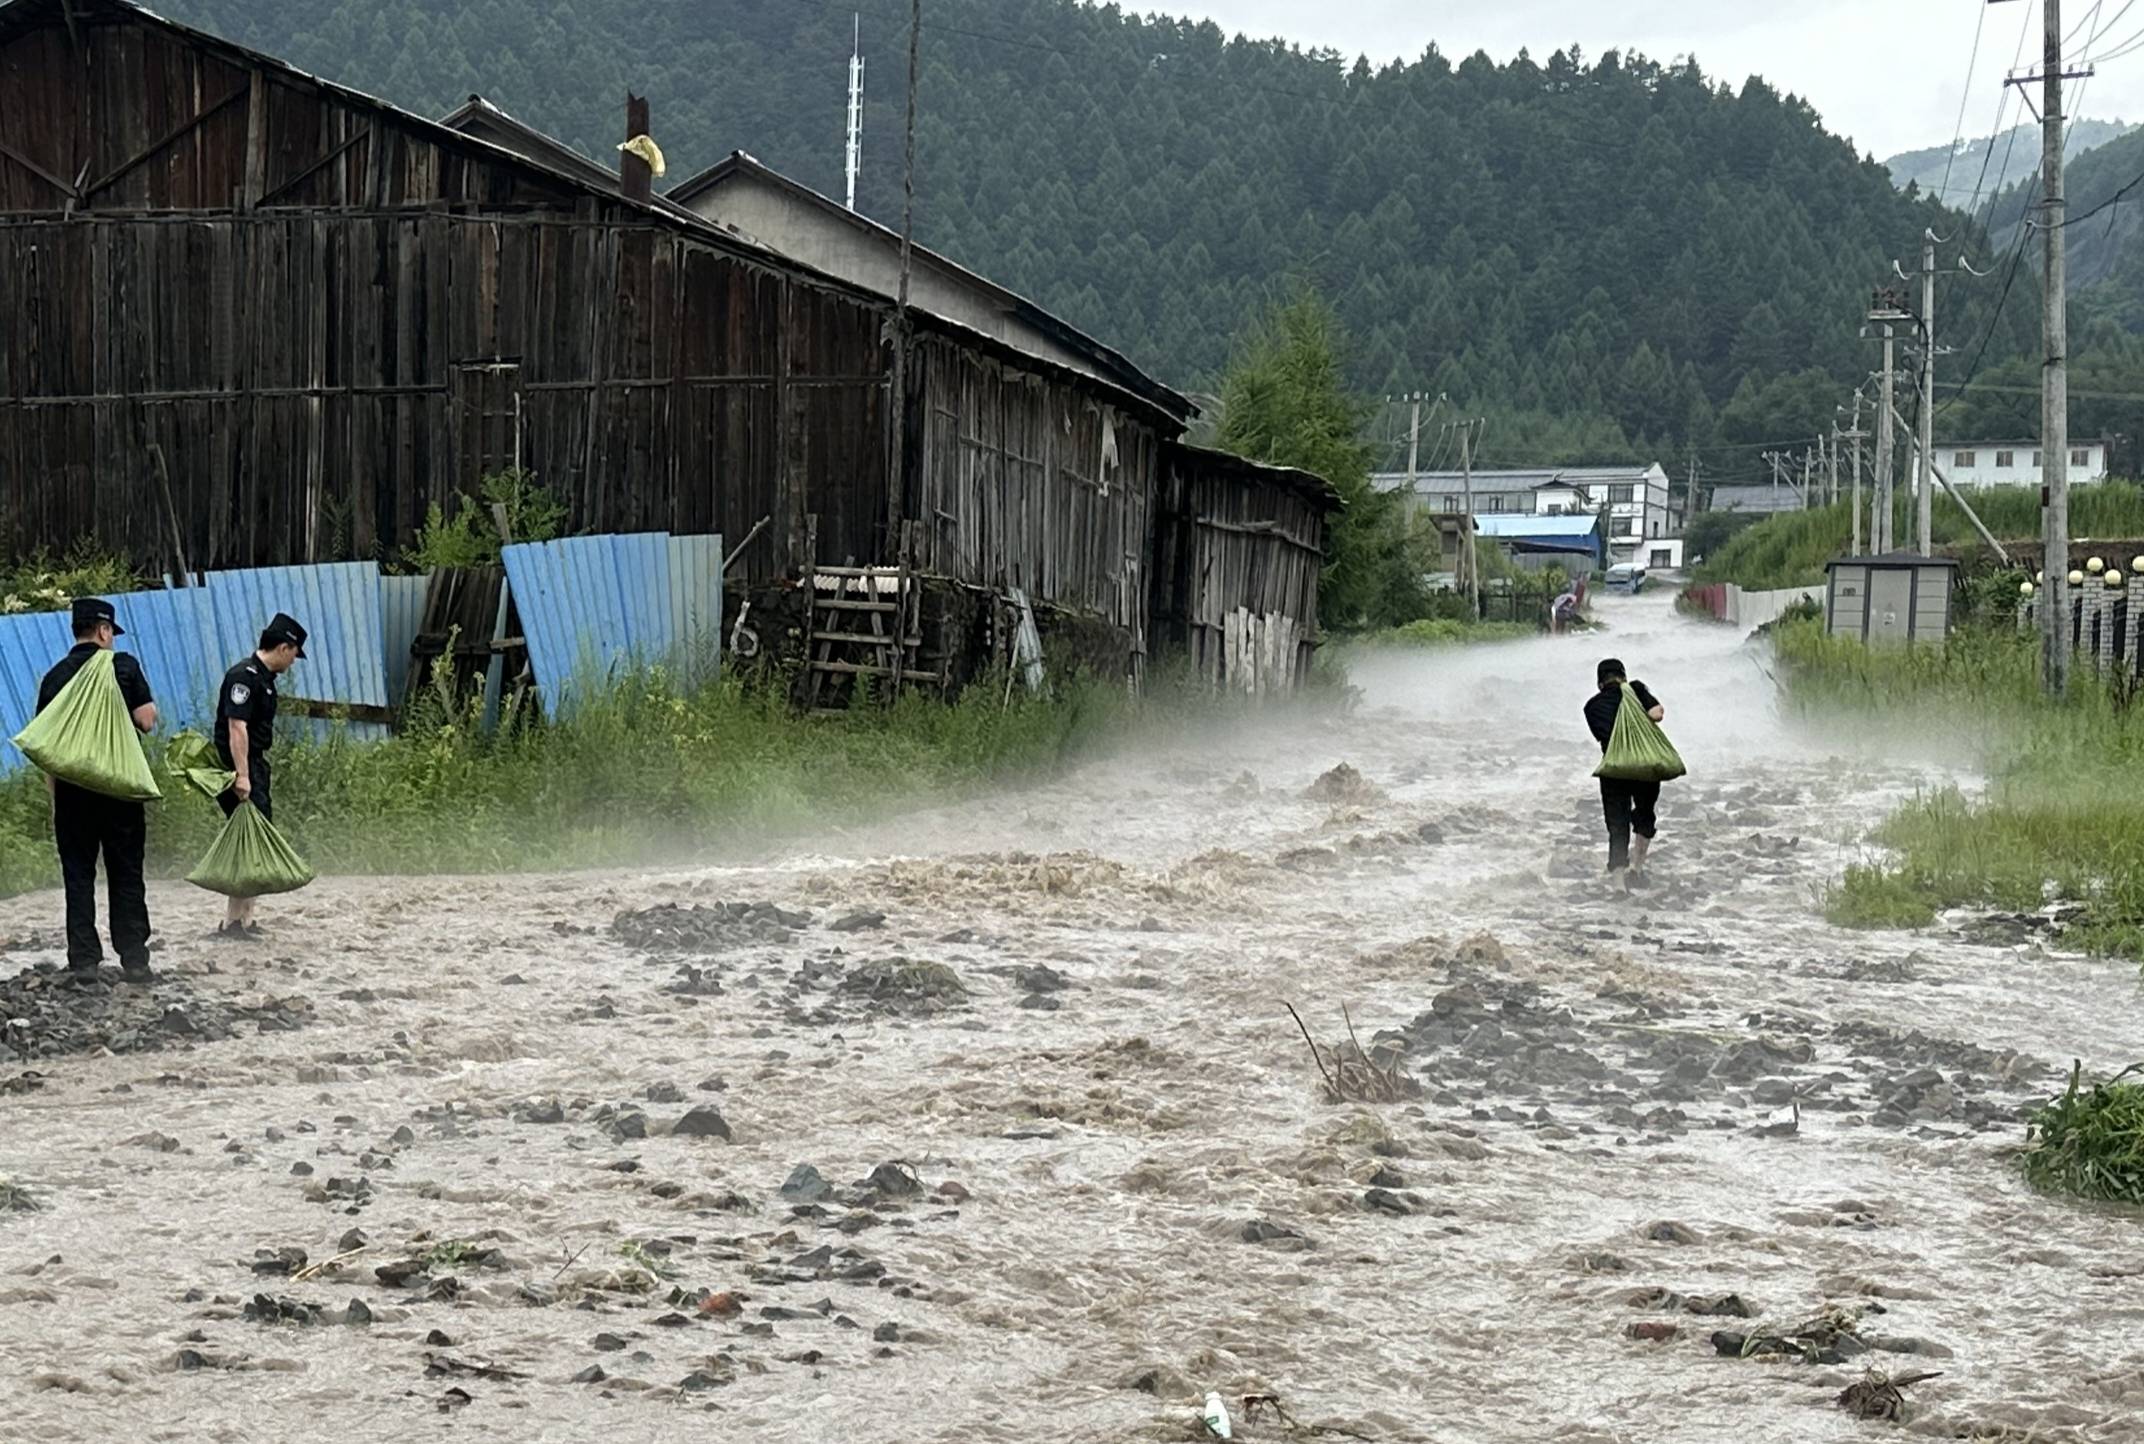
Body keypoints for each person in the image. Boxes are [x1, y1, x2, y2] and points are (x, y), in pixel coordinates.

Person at [36, 598, 159, 983]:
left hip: (73, 794)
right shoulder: (122, 666)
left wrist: (56, 799)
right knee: (125, 872)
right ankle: (135, 959)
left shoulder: (55, 677)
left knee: (78, 875)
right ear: (104, 631)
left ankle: (85, 961)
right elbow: (147, 720)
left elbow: (47, 748)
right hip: (120, 792)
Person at [213, 612, 306, 938]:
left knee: (251, 839)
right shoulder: (245, 677)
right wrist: (242, 776)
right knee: (249, 841)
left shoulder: (263, 679)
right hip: (241, 764)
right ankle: (234, 921)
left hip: (254, 764)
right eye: (294, 654)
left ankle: (242, 918)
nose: (294, 661)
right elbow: (236, 727)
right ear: (284, 647)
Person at [1584, 657, 1664, 886]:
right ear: (1623, 677)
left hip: (1614, 770)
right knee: (1645, 814)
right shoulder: (1636, 690)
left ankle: (1618, 884)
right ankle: (1637, 869)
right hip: (1644, 766)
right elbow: (1657, 714)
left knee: (1617, 824)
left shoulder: (1592, 707)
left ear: (1600, 683)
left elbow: (1604, 736)